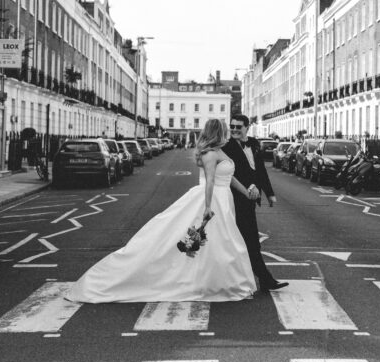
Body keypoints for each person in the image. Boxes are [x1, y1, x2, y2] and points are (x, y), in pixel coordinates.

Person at [65, 119, 257, 302]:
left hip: (224, 200)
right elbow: (210, 182)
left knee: (220, 243)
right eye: (225, 129)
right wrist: (207, 207)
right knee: (214, 241)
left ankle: (216, 282)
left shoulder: (219, 152)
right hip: (212, 200)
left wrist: (246, 192)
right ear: (218, 132)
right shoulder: (210, 154)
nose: (228, 132)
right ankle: (210, 283)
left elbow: (230, 178)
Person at [222, 113, 288, 293]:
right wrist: (248, 187)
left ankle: (257, 279)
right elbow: (232, 175)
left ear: (247, 127)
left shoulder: (254, 143)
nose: (234, 130)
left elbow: (260, 171)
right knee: (249, 240)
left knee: (247, 240)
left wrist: (270, 194)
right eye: (232, 126)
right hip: (236, 199)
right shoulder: (226, 147)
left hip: (250, 199)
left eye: (238, 127)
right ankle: (264, 279)